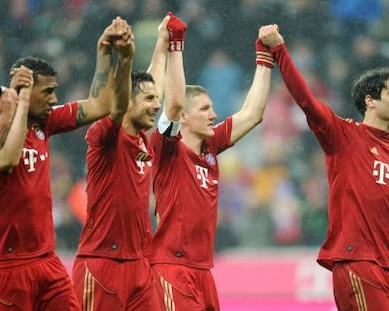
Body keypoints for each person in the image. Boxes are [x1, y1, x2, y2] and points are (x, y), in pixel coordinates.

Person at [0, 17, 126, 310]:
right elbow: (7, 160)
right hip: (2, 266)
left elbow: (99, 105)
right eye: (47, 92)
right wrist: (18, 106)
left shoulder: (46, 120)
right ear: (24, 93)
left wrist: (105, 53)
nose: (54, 99)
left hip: (46, 261)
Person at [259, 24, 389, 310]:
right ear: (370, 101)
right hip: (360, 261)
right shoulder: (344, 135)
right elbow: (305, 100)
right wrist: (279, 49)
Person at [149, 33, 274, 309]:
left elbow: (253, 114)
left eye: (213, 108)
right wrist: (176, 48)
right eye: (205, 108)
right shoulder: (167, 149)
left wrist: (265, 59)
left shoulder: (211, 147)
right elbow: (172, 104)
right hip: (172, 268)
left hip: (203, 270)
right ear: (184, 116)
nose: (213, 114)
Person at [71, 12, 187, 310]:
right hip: (101, 264)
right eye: (148, 100)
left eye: (156, 99)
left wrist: (162, 41)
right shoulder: (106, 136)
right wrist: (124, 59)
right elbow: (121, 100)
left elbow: (151, 84)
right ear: (127, 105)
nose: (156, 105)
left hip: (139, 263)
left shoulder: (142, 138)